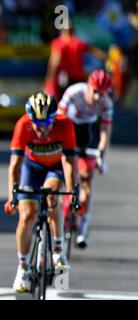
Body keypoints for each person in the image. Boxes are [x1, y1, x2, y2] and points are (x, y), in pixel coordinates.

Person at [4, 92, 80, 293]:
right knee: (27, 215)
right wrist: (12, 196)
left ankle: (58, 251)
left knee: (52, 197)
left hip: (55, 168)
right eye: (36, 122)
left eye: (46, 122)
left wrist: (73, 193)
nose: (41, 128)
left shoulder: (65, 125)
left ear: (54, 117)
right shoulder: (23, 126)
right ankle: (22, 267)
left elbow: (71, 164)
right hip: (32, 168)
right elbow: (15, 166)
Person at [57, 69, 114, 248]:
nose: (97, 97)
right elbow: (59, 119)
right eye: (95, 91)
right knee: (64, 175)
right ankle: (60, 212)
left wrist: (101, 155)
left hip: (88, 134)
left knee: (87, 180)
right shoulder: (74, 92)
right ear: (88, 86)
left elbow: (105, 132)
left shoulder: (107, 104)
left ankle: (83, 226)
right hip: (68, 128)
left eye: (102, 93)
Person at [44, 21, 108, 100]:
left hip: (64, 78)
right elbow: (94, 51)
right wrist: (108, 57)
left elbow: (54, 62)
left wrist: (49, 77)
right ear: (73, 30)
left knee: (63, 101)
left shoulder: (59, 43)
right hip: (78, 79)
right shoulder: (78, 43)